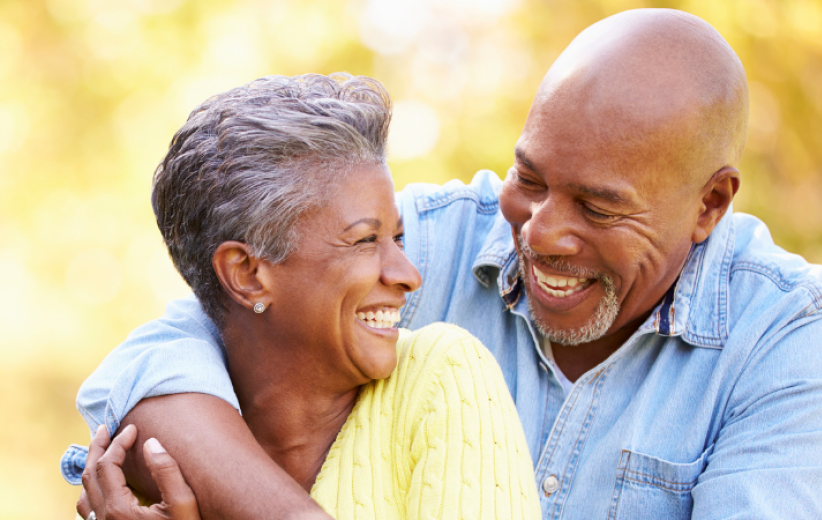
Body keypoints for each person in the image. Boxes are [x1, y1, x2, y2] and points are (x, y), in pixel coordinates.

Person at [63, 8, 822, 520]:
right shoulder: (427, 242)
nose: (544, 235)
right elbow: (163, 360)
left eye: (599, 208)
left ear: (710, 204)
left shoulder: (790, 343)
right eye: (530, 178)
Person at [67, 74, 541, 520]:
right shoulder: (155, 467)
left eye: (397, 238)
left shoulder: (443, 377)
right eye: (364, 240)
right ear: (247, 274)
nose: (409, 275)